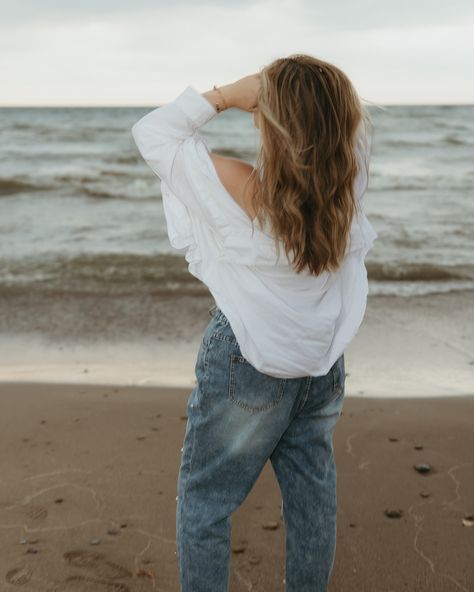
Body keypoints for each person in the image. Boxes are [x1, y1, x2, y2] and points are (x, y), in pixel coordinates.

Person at [131, 53, 378, 592]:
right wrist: (309, 100)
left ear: (272, 121)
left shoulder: (242, 189)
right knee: (312, 500)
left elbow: (155, 134)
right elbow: (344, 131)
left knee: (206, 502)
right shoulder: (347, 193)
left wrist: (224, 95)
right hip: (319, 366)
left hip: (250, 362)